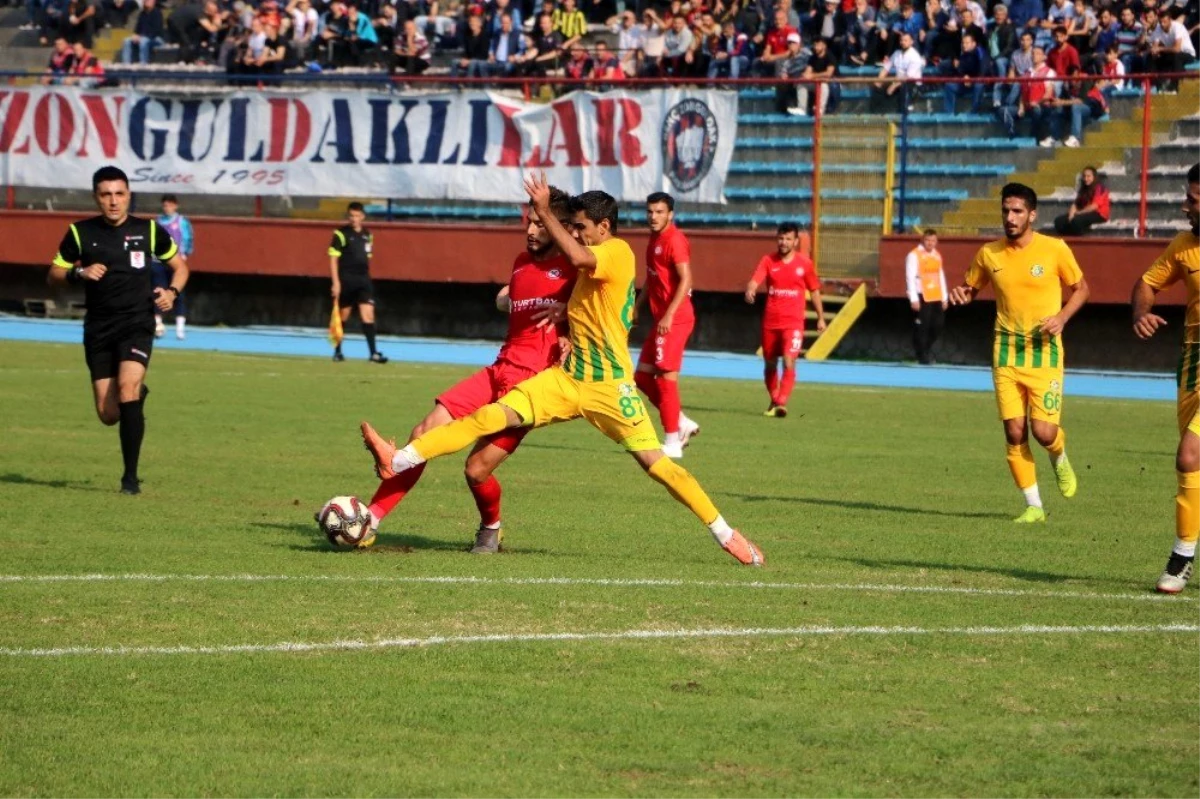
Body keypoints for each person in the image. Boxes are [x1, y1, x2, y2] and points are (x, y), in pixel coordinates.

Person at [362, 177, 765, 566]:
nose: (574, 233)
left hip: (610, 388)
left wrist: (543, 211)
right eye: (570, 226)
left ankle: (728, 535)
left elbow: (577, 257)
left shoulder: (618, 251)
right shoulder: (583, 270)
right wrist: (563, 312)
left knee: (659, 467)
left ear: (604, 227)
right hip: (566, 378)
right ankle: (397, 460)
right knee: (488, 415)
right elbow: (586, 293)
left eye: (581, 227)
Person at [359, 189, 576, 553]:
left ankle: (491, 528)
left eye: (541, 223)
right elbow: (514, 298)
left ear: (560, 226)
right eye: (530, 221)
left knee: (476, 469)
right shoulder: (521, 262)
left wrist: (570, 328)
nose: (531, 230)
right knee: (422, 430)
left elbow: (611, 310)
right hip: (497, 371)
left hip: (530, 389)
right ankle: (370, 521)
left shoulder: (576, 270)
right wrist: (507, 298)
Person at [948, 183, 1089, 523]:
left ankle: (1059, 455)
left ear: (1032, 214)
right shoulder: (989, 254)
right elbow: (971, 287)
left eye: (1017, 212)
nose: (1010, 218)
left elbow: (1081, 289)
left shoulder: (1054, 249)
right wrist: (962, 295)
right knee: (1014, 431)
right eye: (1005, 211)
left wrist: (1062, 317)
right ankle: (1034, 506)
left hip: (1045, 353)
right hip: (1006, 353)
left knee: (1043, 432)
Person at [47, 166, 189, 495]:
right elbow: (54, 273)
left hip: (137, 323)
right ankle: (136, 398)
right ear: (96, 198)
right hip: (98, 327)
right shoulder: (80, 233)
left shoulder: (149, 230)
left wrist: (171, 293)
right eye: (106, 195)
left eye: (119, 194)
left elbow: (180, 267)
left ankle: (130, 480)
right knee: (108, 413)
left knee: (128, 388)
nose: (113, 201)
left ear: (128, 195)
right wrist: (78, 274)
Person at [1131, 162, 1200, 593]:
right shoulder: (1183, 246)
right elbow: (1146, 282)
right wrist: (1140, 311)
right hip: (1192, 364)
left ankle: (1181, 558)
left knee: (1188, 455)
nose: (1185, 206)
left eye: (1193, 200)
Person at [633, 193, 701, 460]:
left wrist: (669, 315)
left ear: (670, 214)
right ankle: (680, 420)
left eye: (659, 212)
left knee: (665, 377)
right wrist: (638, 306)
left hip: (676, 319)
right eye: (650, 211)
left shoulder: (674, 240)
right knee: (641, 377)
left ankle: (672, 439)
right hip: (662, 319)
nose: (653, 216)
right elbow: (652, 279)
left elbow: (686, 280)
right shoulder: (653, 240)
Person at [744, 222, 825, 418]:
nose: (784, 242)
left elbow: (814, 291)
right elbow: (756, 278)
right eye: (781, 238)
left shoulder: (804, 264)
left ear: (796, 241)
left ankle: (781, 401)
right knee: (770, 364)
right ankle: (774, 399)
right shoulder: (768, 261)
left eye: (788, 239)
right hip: (771, 323)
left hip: (793, 323)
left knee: (789, 361)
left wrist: (821, 317)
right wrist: (751, 288)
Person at [329, 202, 388, 364]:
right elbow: (333, 259)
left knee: (368, 314)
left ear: (362, 216)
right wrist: (336, 282)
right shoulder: (340, 234)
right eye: (351, 216)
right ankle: (338, 351)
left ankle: (373, 353)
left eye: (357, 216)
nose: (354, 219)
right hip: (346, 280)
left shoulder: (367, 235)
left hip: (363, 281)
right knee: (343, 316)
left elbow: (367, 257)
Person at [154, 194, 194, 340]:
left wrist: (184, 254)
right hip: (158, 262)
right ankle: (158, 324)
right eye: (165, 205)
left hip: (176, 262)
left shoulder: (181, 221)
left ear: (175, 206)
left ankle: (180, 328)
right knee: (158, 291)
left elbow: (188, 238)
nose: (167, 208)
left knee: (177, 293)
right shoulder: (158, 221)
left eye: (170, 205)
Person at [905, 229, 947, 365]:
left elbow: (940, 275)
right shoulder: (914, 255)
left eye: (933, 241)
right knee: (923, 325)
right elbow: (910, 276)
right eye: (928, 240)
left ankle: (925, 349)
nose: (930, 243)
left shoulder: (936, 255)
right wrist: (913, 298)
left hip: (935, 294)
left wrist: (944, 297)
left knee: (938, 324)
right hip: (921, 293)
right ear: (923, 240)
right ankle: (922, 355)